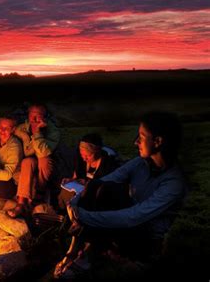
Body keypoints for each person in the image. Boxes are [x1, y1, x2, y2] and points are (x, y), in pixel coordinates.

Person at [54, 111, 186, 279]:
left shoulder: (173, 182)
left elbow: (133, 217)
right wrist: (75, 201)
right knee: (100, 187)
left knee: (101, 201)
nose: (135, 142)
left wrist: (84, 216)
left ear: (158, 141)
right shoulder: (140, 163)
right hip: (126, 224)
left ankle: (87, 254)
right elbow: (105, 180)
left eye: (141, 137)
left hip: (145, 237)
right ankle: (78, 251)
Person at [7, 104, 65, 218]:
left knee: (44, 159)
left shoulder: (53, 132)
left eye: (37, 116)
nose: (34, 120)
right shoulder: (22, 129)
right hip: (27, 167)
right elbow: (25, 152)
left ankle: (39, 193)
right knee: (27, 161)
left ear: (44, 117)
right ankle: (21, 203)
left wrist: (37, 133)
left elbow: (43, 153)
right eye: (31, 116)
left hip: (47, 167)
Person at [57, 133, 120, 211]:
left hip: (97, 196)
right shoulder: (81, 157)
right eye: (82, 155)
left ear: (98, 152)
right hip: (80, 189)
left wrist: (89, 184)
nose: (84, 158)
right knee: (66, 193)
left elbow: (105, 187)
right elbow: (76, 175)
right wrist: (71, 180)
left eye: (88, 156)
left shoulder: (107, 164)